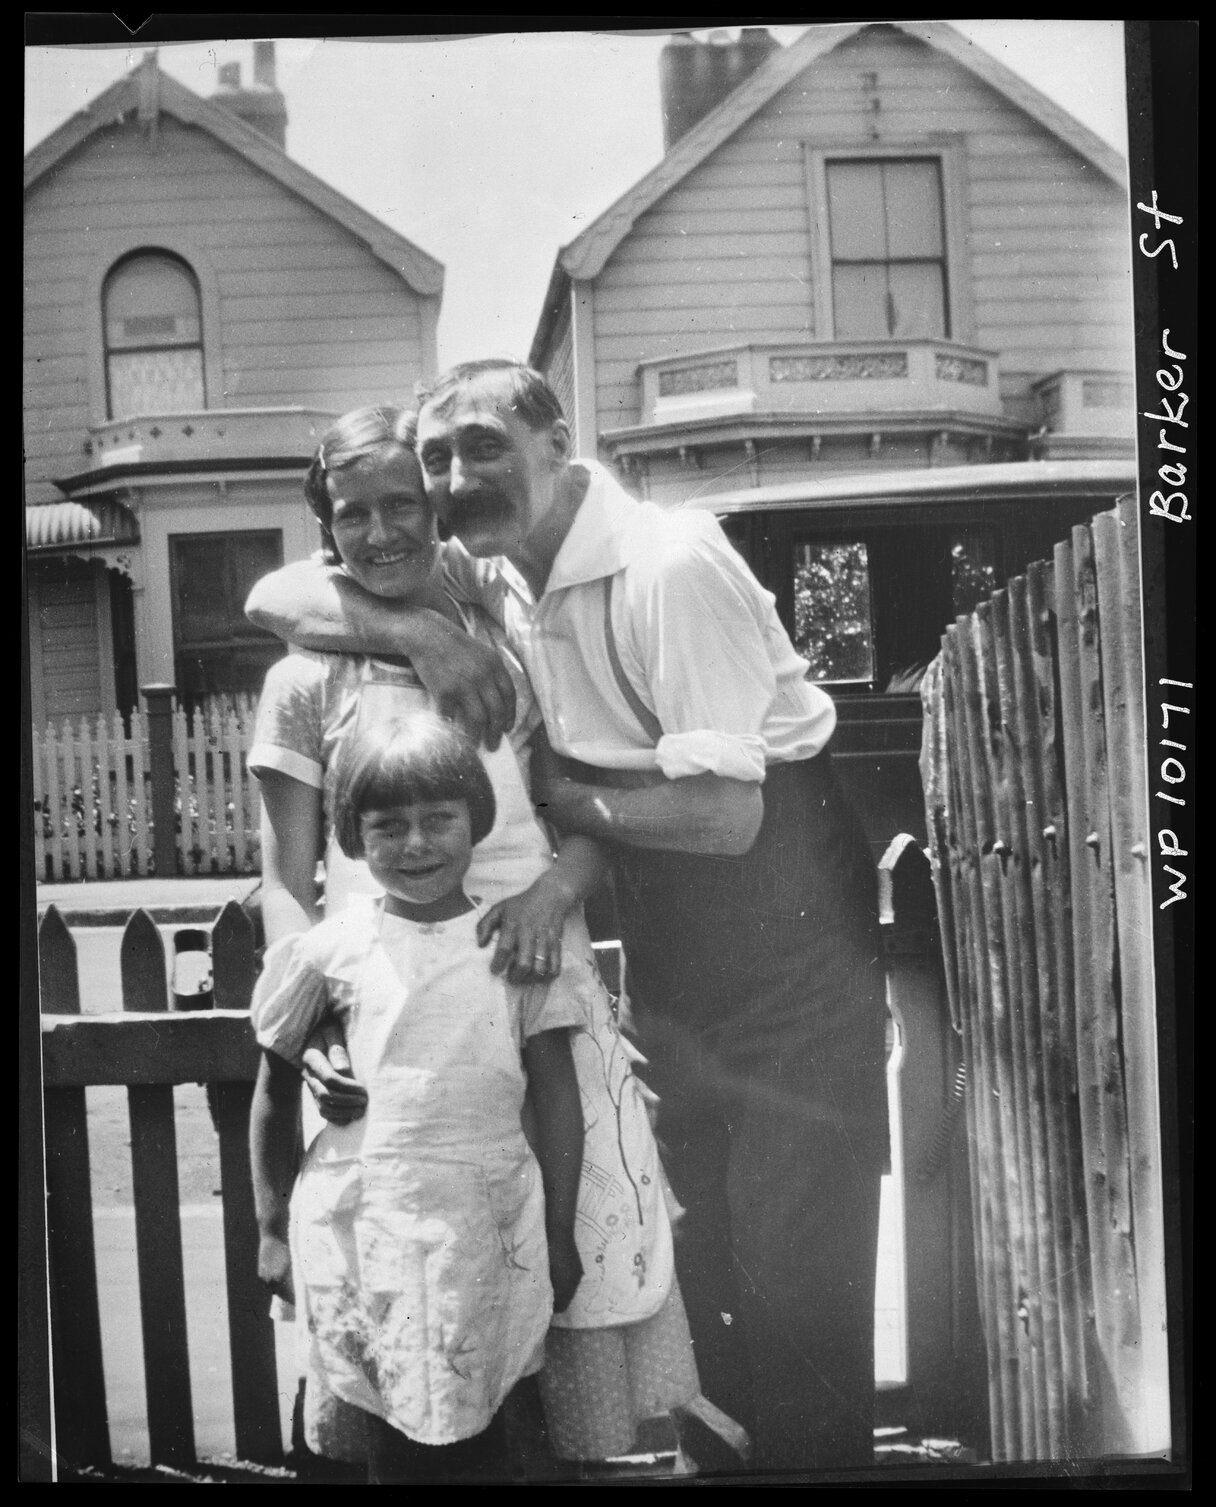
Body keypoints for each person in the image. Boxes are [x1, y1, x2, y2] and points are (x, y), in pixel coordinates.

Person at [248, 359, 891, 1476]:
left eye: (482, 446)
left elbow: (727, 815)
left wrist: (552, 821)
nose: (452, 480)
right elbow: (275, 593)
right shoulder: (494, 582)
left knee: (787, 1259)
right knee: (703, 1256)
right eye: (438, 457)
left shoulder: (665, 564)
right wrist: (425, 641)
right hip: (663, 946)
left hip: (779, 925)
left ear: (557, 440)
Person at [246, 404, 697, 1471]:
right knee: (416, 1274)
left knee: (564, 1237)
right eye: (352, 513)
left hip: (530, 973)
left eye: (406, 505)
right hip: (387, 1002)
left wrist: (557, 889)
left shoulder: (506, 633)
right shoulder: (307, 677)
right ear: (325, 524)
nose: (382, 532)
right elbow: (284, 874)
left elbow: (579, 804)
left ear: (440, 511)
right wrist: (314, 1019)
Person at [251, 711, 587, 1483]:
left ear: (477, 819)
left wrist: (561, 1233)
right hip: (365, 1223)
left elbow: (560, 1104)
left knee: (491, 1415)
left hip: (486, 1221)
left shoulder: (514, 947)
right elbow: (272, 1086)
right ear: (352, 835)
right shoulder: (329, 951)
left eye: (439, 819)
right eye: (387, 826)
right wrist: (270, 1227)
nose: (415, 844)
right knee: (390, 1428)